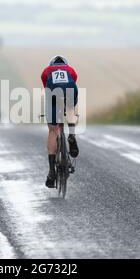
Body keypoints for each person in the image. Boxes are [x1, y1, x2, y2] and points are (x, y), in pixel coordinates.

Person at [41, 55, 79, 188]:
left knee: (53, 129)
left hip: (52, 92)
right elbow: (72, 84)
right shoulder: (70, 70)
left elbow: (47, 90)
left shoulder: (46, 71)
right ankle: (72, 135)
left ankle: (52, 172)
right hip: (70, 87)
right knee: (70, 108)